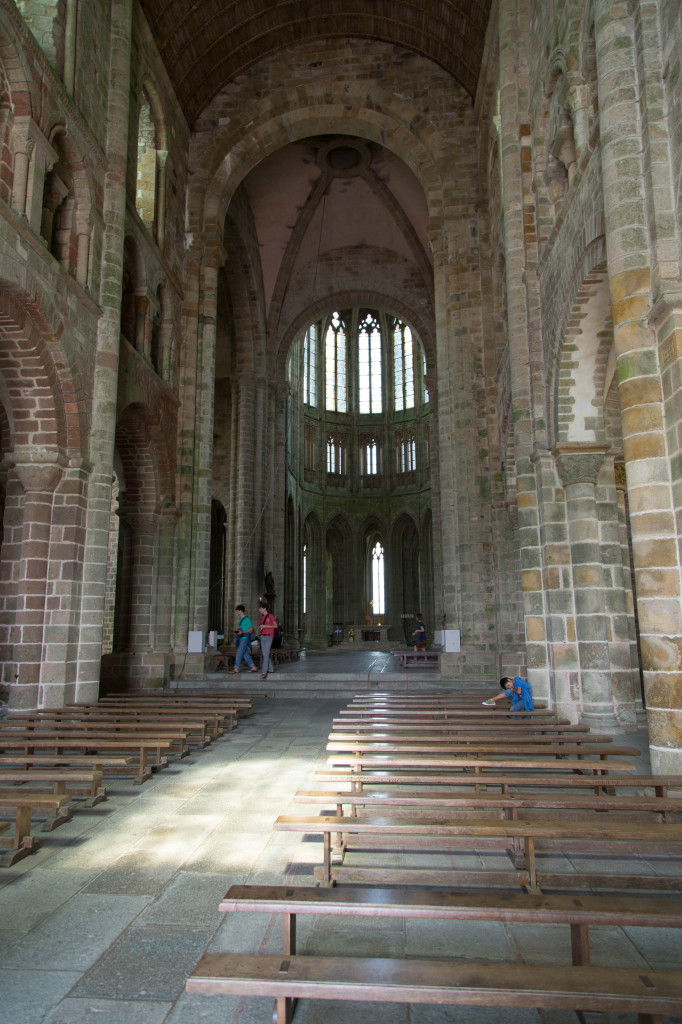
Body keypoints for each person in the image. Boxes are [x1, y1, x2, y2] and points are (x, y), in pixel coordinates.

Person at [230, 604, 258, 673]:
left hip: (245, 638)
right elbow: (242, 628)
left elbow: (251, 629)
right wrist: (238, 630)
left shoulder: (247, 619)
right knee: (245, 653)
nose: (236, 613)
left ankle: (236, 668)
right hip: (241, 638)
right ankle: (253, 666)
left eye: (237, 611)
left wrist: (243, 632)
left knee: (239, 652)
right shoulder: (240, 619)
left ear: (240, 611)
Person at [257, 601, 277, 678]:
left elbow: (275, 626)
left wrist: (265, 626)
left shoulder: (270, 616)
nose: (259, 610)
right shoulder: (262, 617)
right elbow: (260, 625)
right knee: (265, 654)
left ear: (264, 608)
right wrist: (260, 626)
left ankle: (264, 672)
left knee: (265, 654)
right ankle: (271, 668)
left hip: (269, 636)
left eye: (260, 608)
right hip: (263, 636)